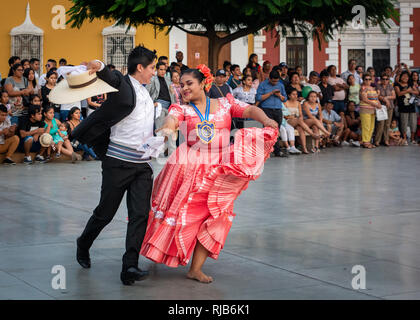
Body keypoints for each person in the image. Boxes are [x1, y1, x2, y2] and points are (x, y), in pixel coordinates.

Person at [139, 65, 278, 283]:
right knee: (185, 215)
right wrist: (167, 129)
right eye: (181, 84)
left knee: (216, 217)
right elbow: (172, 120)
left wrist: (266, 120)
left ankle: (196, 268)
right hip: (190, 165)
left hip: (220, 168)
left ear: (203, 83)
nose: (184, 88)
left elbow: (250, 110)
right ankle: (161, 251)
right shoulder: (181, 108)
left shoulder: (226, 103)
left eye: (189, 83)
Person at [71, 46, 158, 285]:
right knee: (105, 213)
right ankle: (83, 243)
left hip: (142, 164)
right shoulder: (123, 85)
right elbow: (110, 75)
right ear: (140, 67)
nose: (154, 72)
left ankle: (129, 267)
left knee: (140, 215)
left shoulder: (145, 92)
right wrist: (98, 65)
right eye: (152, 68)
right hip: (118, 163)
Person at [147, 61, 176, 156]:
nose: (163, 71)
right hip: (159, 107)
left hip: (170, 107)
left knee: (171, 131)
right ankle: (158, 153)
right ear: (157, 70)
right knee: (160, 131)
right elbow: (146, 93)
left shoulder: (168, 80)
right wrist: (153, 103)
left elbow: (172, 95)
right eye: (161, 69)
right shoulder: (152, 79)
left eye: (164, 70)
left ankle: (172, 153)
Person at [256, 70, 287, 157]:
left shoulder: (280, 85)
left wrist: (279, 96)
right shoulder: (263, 84)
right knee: (268, 130)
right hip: (266, 109)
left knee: (276, 130)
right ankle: (267, 151)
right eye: (273, 81)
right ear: (269, 78)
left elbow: (284, 99)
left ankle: (276, 151)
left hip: (277, 109)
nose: (275, 83)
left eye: (276, 81)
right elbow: (258, 97)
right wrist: (271, 93)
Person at [284, 88, 318, 154]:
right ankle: (312, 134)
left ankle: (304, 148)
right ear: (289, 95)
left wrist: (300, 118)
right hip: (288, 121)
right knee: (299, 121)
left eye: (296, 94)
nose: (295, 96)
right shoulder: (286, 103)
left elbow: (301, 114)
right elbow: (284, 116)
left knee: (300, 129)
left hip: (298, 121)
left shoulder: (298, 103)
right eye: (293, 94)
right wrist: (294, 117)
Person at [394, 70, 419, 145]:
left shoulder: (411, 84)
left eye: (407, 76)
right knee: (404, 123)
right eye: (404, 76)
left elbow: (417, 92)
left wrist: (410, 91)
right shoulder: (397, 85)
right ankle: (404, 139)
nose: (405, 78)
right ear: (401, 77)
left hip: (412, 107)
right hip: (402, 107)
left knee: (413, 123)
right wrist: (407, 90)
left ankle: (412, 139)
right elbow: (398, 94)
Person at [359, 73, 381, 148]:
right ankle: (365, 142)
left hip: (373, 110)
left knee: (371, 127)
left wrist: (379, 103)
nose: (368, 81)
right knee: (366, 126)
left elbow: (375, 98)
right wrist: (375, 104)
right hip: (365, 109)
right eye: (366, 79)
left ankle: (368, 141)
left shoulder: (373, 88)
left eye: (369, 79)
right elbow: (364, 99)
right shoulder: (363, 88)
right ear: (363, 80)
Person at [376, 72, 396, 146]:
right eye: (383, 79)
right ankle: (377, 140)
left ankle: (386, 140)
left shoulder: (390, 86)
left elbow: (394, 96)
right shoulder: (378, 86)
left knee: (387, 124)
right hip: (381, 107)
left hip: (390, 107)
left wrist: (386, 98)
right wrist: (385, 100)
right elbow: (377, 96)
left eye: (386, 79)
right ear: (381, 79)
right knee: (380, 124)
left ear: (388, 80)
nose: (385, 80)